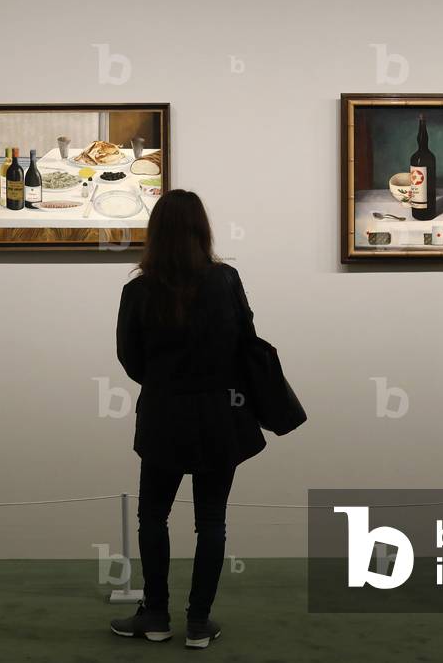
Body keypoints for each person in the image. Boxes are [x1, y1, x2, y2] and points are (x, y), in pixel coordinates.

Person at [110, 189, 265, 649]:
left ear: (154, 234)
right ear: (203, 231)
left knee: (152, 516)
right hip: (220, 413)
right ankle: (198, 623)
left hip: (163, 414)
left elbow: (129, 358)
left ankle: (156, 615)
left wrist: (162, 381)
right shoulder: (227, 280)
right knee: (211, 520)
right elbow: (247, 343)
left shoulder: (138, 290)